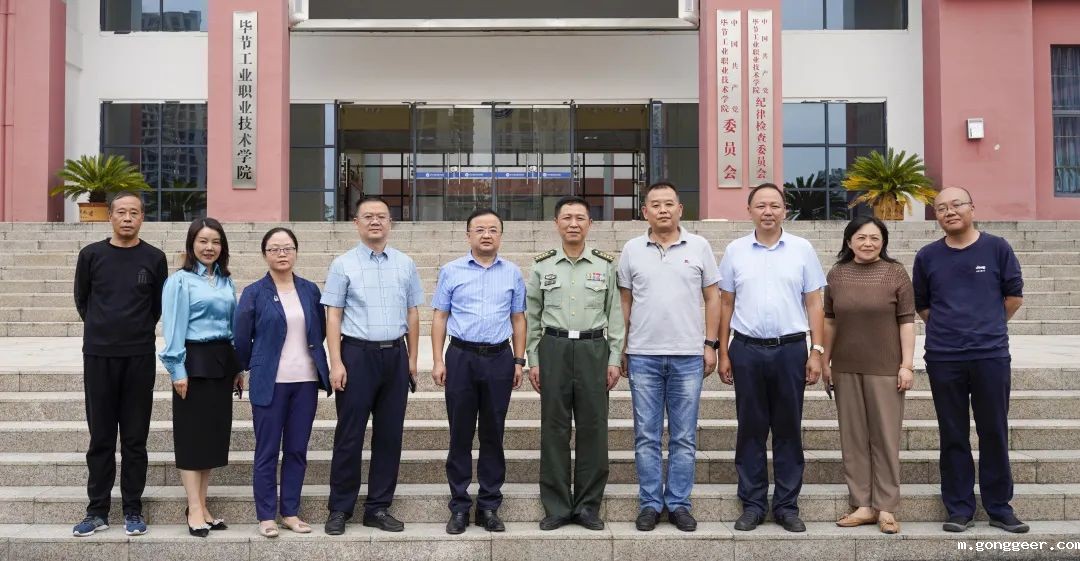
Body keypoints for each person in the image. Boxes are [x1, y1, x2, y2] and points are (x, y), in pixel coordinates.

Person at [913, 186, 1028, 534]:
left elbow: (1013, 297)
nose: (949, 212)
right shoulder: (927, 256)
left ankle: (999, 507)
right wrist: (950, 329)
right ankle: (959, 507)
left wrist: (988, 325)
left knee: (994, 430)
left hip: (990, 355)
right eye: (941, 208)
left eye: (956, 205)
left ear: (972, 208)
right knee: (952, 433)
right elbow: (923, 305)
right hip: (944, 357)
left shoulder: (997, 248)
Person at [717, 183, 826, 533]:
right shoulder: (735, 251)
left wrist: (817, 351)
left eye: (775, 206)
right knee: (750, 429)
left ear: (784, 211)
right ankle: (752, 504)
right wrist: (723, 352)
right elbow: (726, 303)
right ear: (749, 210)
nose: (768, 211)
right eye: (761, 205)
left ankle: (786, 506)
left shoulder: (802, 249)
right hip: (746, 349)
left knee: (788, 429)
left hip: (790, 349)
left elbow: (814, 302)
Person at [617, 182, 721, 533]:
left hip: (687, 355)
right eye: (655, 204)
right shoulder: (632, 249)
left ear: (680, 209)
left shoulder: (699, 246)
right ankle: (649, 503)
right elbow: (625, 301)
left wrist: (710, 344)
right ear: (645, 211)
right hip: (643, 354)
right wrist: (622, 347)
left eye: (669, 204)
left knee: (684, 436)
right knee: (646, 435)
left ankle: (678, 503)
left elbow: (712, 298)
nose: (663, 210)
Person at [322, 196, 424, 535]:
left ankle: (378, 507)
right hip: (356, 355)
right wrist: (336, 362)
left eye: (381, 216)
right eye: (368, 216)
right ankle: (340, 508)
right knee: (349, 435)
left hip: (395, 356)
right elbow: (333, 315)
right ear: (356, 223)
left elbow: (413, 312)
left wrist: (411, 359)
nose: (375, 221)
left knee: (389, 435)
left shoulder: (405, 263)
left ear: (390, 222)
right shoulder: (343, 264)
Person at [71, 192, 168, 538]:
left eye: (134, 213)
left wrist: (135, 332)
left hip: (139, 356)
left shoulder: (154, 258)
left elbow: (157, 307)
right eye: (121, 212)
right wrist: (103, 330)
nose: (127, 218)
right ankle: (97, 510)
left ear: (142, 218)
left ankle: (132, 509)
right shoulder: (91, 255)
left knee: (134, 438)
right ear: (110, 216)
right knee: (100, 436)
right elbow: (82, 300)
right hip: (99, 355)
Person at [526, 196, 625, 531]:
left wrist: (614, 358)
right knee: (553, 428)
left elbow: (615, 314)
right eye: (566, 218)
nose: (573, 224)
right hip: (553, 348)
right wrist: (533, 359)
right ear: (556, 223)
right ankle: (556, 505)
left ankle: (586, 506)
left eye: (580, 218)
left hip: (592, 349)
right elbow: (532, 315)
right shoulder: (542, 265)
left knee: (593, 428)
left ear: (589, 224)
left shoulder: (605, 264)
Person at [431, 208, 526, 535]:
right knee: (459, 432)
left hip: (499, 358)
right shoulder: (451, 271)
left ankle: (488, 505)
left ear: (501, 235)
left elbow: (518, 318)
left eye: (493, 229)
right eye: (480, 229)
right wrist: (438, 360)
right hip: (461, 357)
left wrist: (519, 361)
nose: (487, 235)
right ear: (468, 234)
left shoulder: (512, 272)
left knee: (493, 432)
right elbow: (440, 316)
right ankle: (459, 506)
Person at [234, 228, 331, 538]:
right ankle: (266, 516)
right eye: (274, 249)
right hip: (270, 382)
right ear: (265, 254)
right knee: (266, 451)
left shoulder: (310, 290)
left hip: (305, 381)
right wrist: (248, 366)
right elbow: (241, 336)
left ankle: (289, 512)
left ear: (296, 251)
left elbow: (319, 330)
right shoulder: (254, 292)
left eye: (287, 247)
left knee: (297, 450)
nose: (282, 254)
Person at [822, 216, 915, 535]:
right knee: (853, 438)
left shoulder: (895, 273)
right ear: (849, 242)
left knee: (885, 438)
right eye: (861, 237)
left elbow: (907, 321)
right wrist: (825, 361)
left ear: (883, 242)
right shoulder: (837, 274)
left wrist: (906, 365)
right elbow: (830, 320)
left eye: (875, 238)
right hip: (845, 367)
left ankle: (886, 507)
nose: (868, 243)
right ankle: (862, 504)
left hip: (886, 369)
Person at [159, 217, 243, 537]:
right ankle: (193, 508)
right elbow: (173, 328)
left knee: (211, 438)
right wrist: (177, 370)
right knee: (192, 438)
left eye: (216, 242)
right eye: (203, 241)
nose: (210, 247)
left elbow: (232, 327)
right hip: (193, 362)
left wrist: (237, 367)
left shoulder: (225, 281)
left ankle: (203, 505)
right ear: (191, 244)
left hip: (221, 362)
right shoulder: (179, 281)